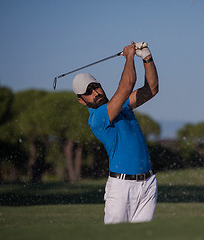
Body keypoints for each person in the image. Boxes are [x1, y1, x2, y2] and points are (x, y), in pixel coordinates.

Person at [72, 42, 159, 224]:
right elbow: (126, 86)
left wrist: (146, 58)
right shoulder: (98, 118)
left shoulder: (124, 106)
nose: (95, 92)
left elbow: (152, 89)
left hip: (148, 183)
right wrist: (129, 56)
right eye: (88, 92)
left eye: (96, 86)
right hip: (121, 188)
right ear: (82, 101)